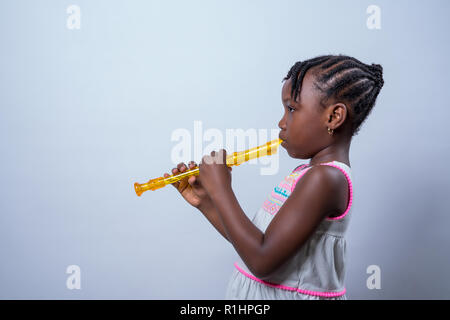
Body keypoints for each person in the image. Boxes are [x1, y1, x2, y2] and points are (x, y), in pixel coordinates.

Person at [164, 55, 384, 299]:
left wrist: (222, 190)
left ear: (333, 117)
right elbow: (256, 244)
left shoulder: (326, 179)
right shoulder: (308, 175)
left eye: (291, 109)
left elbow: (262, 261)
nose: (281, 123)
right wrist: (206, 202)